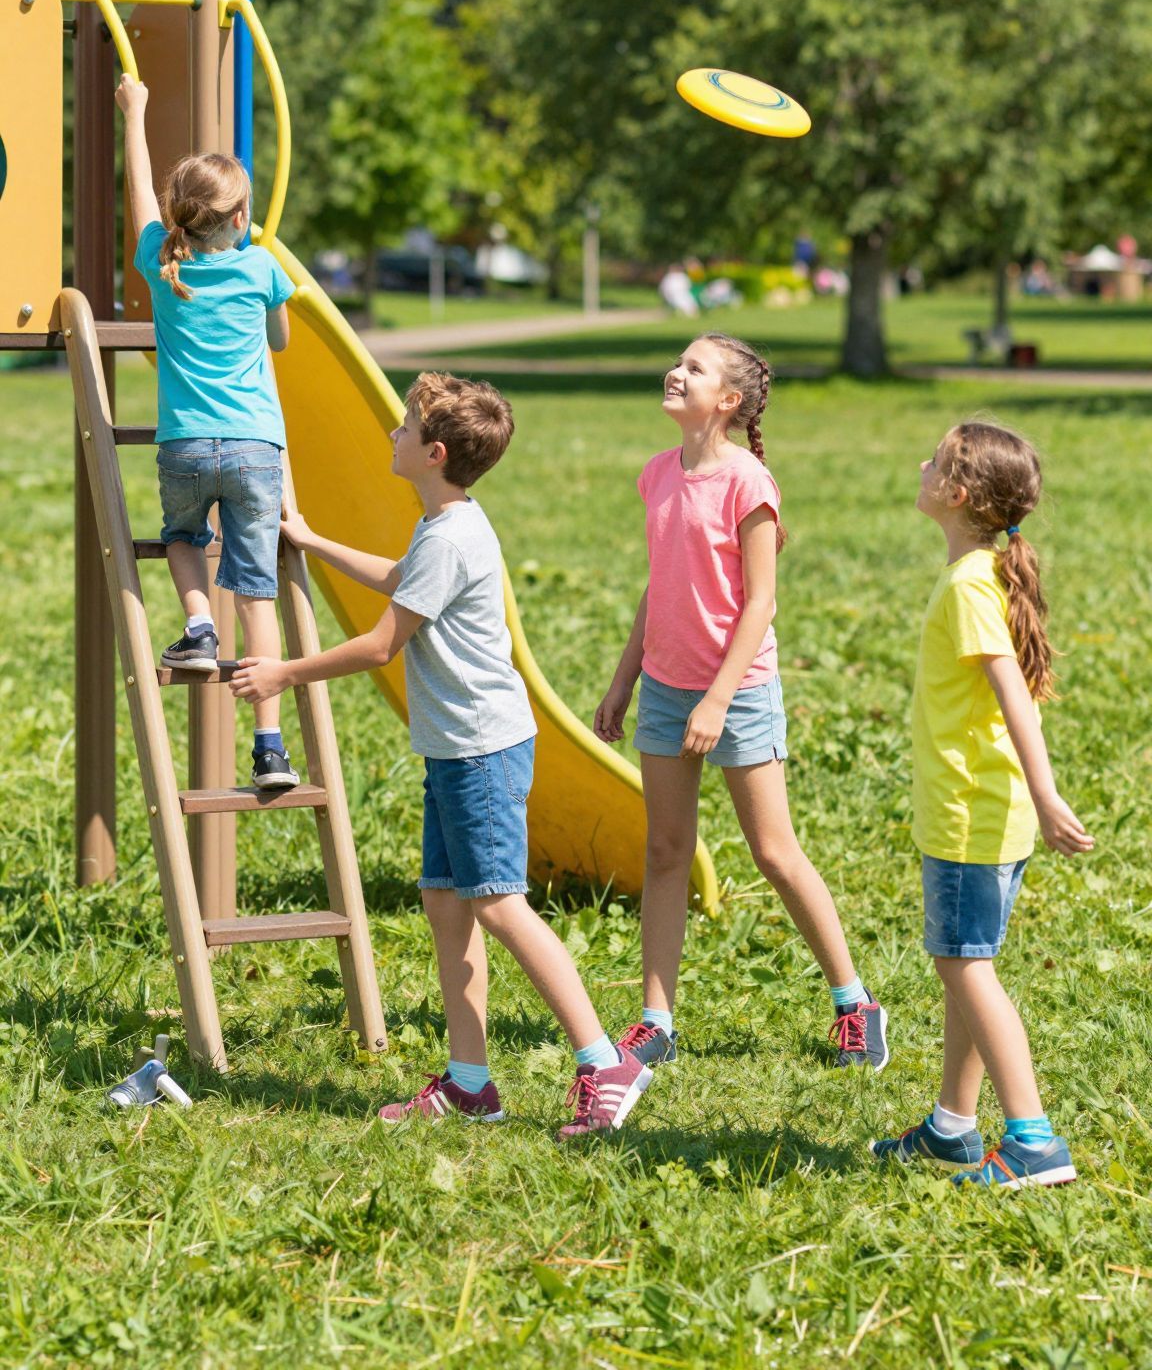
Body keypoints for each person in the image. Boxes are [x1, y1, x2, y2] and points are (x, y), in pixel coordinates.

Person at [230, 371, 652, 1140]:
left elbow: (384, 642)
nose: (389, 437)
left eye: (399, 430)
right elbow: (402, 582)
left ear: (430, 452)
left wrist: (283, 673)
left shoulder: (454, 534)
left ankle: (603, 1061)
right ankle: (469, 1083)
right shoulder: (446, 524)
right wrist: (314, 539)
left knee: (496, 902)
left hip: (481, 752)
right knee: (446, 902)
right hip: (456, 749)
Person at [594, 334, 889, 1073]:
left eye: (694, 368)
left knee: (773, 852)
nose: (676, 371)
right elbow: (658, 588)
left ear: (727, 401)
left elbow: (760, 602)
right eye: (679, 360)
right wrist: (624, 680)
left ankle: (855, 1004)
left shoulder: (748, 483)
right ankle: (655, 1020)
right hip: (665, 689)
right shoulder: (657, 475)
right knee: (665, 852)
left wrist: (718, 700)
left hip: (740, 690)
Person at [872, 422, 1092, 1188]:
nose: (920, 461)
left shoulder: (970, 584)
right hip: (984, 811)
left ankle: (1032, 1139)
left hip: (973, 813)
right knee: (969, 963)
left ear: (957, 495)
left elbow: (1012, 695)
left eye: (933, 459)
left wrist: (1046, 788)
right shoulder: (980, 570)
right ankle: (953, 1129)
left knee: (964, 966)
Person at [115, 76, 299, 791]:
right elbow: (279, 342)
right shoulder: (262, 267)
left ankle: (197, 628)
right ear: (242, 215)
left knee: (184, 538)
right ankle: (271, 750)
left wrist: (136, 116)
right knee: (257, 595)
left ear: (180, 219)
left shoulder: (166, 263)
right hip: (256, 449)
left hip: (186, 443)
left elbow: (139, 203)